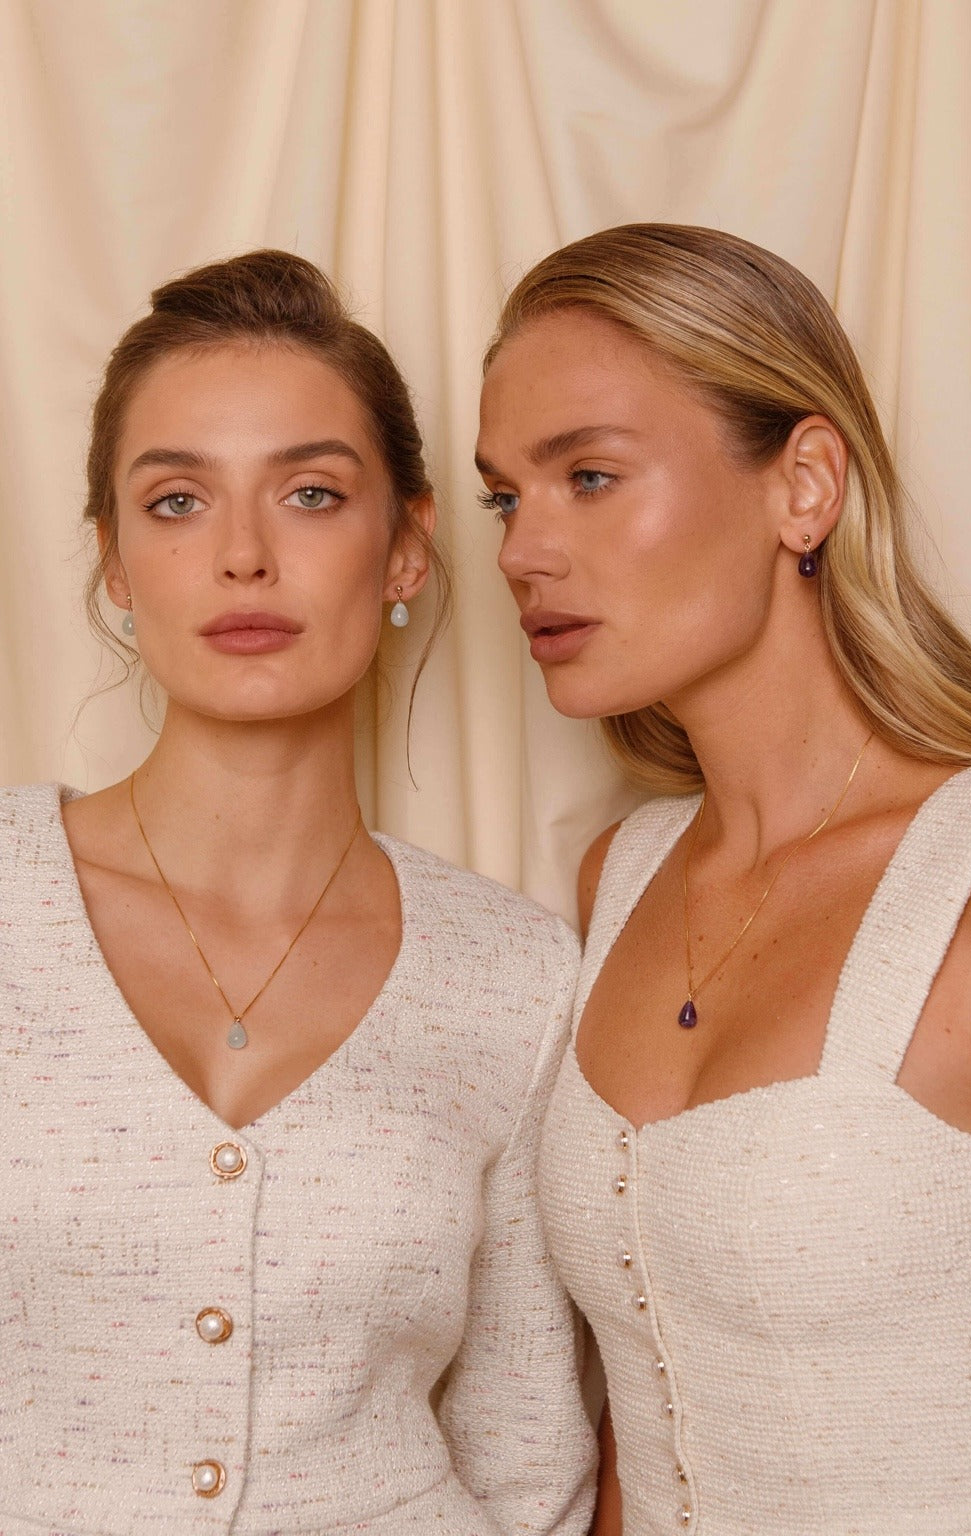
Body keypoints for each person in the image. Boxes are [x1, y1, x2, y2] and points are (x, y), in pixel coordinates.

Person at [0, 249, 595, 1534]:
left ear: (405, 552)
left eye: (313, 494)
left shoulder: (518, 978)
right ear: (111, 560)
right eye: (176, 504)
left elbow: (528, 1459)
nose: (244, 558)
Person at [475, 223, 971, 1535]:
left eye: (590, 477)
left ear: (805, 485)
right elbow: (636, 1427)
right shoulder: (624, 875)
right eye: (506, 496)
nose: (521, 552)